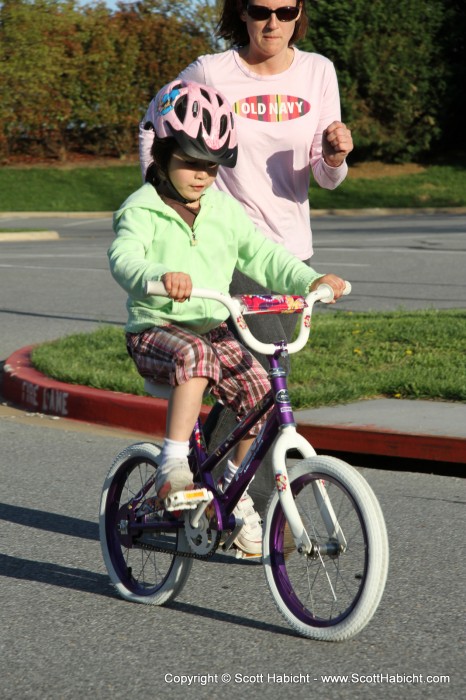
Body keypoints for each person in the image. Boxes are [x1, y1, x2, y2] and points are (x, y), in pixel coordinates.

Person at [110, 80, 347, 555]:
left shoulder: (222, 208)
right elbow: (124, 258)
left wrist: (310, 280)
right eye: (191, 164)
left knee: (261, 391)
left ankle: (235, 494)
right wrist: (159, 275)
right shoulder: (141, 209)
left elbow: (262, 254)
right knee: (196, 355)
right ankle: (172, 465)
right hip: (157, 329)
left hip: (213, 324)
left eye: (212, 168)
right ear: (161, 155)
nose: (202, 177)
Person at [139, 0, 353, 361]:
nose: (273, 23)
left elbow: (326, 176)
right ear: (242, 12)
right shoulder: (212, 71)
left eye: (285, 12)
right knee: (271, 367)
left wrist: (335, 158)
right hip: (230, 247)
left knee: (265, 374)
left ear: (298, 13)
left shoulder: (318, 72)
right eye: (260, 12)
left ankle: (192, 416)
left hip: (291, 250)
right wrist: (166, 197)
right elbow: (152, 124)